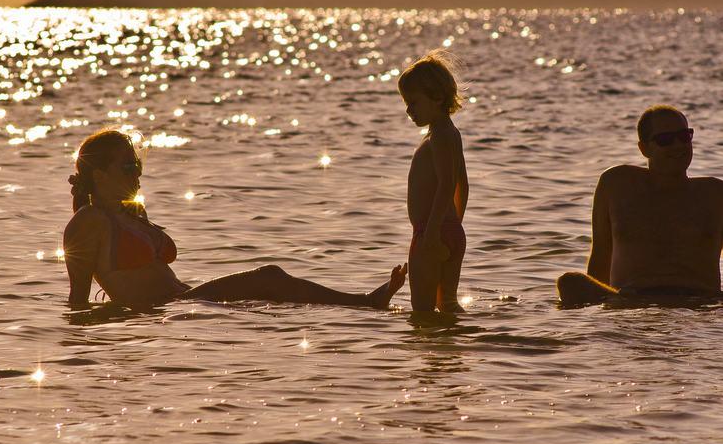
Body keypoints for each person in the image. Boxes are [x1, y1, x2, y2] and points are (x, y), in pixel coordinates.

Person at [62, 129, 405, 310]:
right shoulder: (88, 222)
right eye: (126, 166)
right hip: (169, 308)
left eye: (137, 164)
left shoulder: (132, 211)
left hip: (182, 304)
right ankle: (363, 303)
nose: (136, 172)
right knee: (269, 276)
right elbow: (77, 302)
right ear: (100, 175)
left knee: (272, 300)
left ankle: (358, 305)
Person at [556, 105, 723, 305]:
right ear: (644, 148)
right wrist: (595, 313)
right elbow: (600, 260)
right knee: (570, 282)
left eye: (684, 136)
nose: (678, 145)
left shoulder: (718, 194)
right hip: (633, 301)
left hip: (701, 301)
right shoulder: (616, 184)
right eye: (665, 139)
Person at [398, 51, 469, 314]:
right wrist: (455, 226)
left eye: (414, 103)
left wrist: (432, 233)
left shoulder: (438, 136)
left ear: (437, 98)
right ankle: (452, 352)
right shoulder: (450, 134)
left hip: (431, 231)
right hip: (449, 231)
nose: (408, 110)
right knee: (448, 304)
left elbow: (447, 184)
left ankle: (434, 354)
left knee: (422, 310)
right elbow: (463, 184)